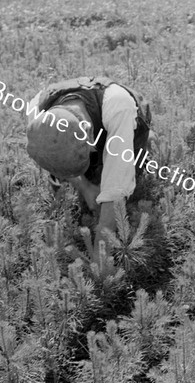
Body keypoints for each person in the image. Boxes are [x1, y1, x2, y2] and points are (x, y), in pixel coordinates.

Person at [25, 76, 151, 258]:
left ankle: (145, 141)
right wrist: (85, 187)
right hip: (95, 125)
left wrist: (101, 252)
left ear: (88, 132)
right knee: (88, 176)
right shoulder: (37, 111)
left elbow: (117, 185)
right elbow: (50, 157)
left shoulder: (118, 106)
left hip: (126, 122)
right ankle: (90, 170)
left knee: (129, 170)